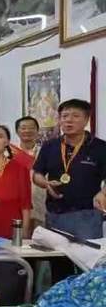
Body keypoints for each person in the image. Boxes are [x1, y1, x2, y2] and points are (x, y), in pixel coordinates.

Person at [33, 99, 106, 240]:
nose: (68, 120)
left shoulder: (100, 147)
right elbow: (37, 174)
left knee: (85, 253)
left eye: (75, 116)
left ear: (86, 120)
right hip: (54, 214)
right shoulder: (50, 146)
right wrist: (46, 184)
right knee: (56, 254)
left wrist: (103, 193)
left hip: (87, 215)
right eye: (64, 116)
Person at [12, 116, 46, 229]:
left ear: (37, 130)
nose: (27, 131)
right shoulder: (9, 153)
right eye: (23, 128)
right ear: (17, 131)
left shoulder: (45, 151)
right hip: (16, 204)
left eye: (31, 128)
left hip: (39, 203)